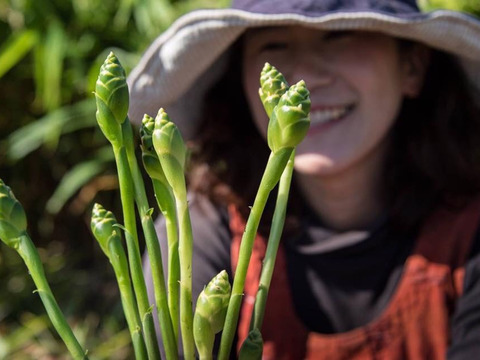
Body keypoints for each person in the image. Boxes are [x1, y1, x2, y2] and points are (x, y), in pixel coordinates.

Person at [128, 0, 480, 358]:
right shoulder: (201, 230)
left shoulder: (470, 233)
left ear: (412, 66)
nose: (305, 77)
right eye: (274, 45)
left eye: (340, 36)